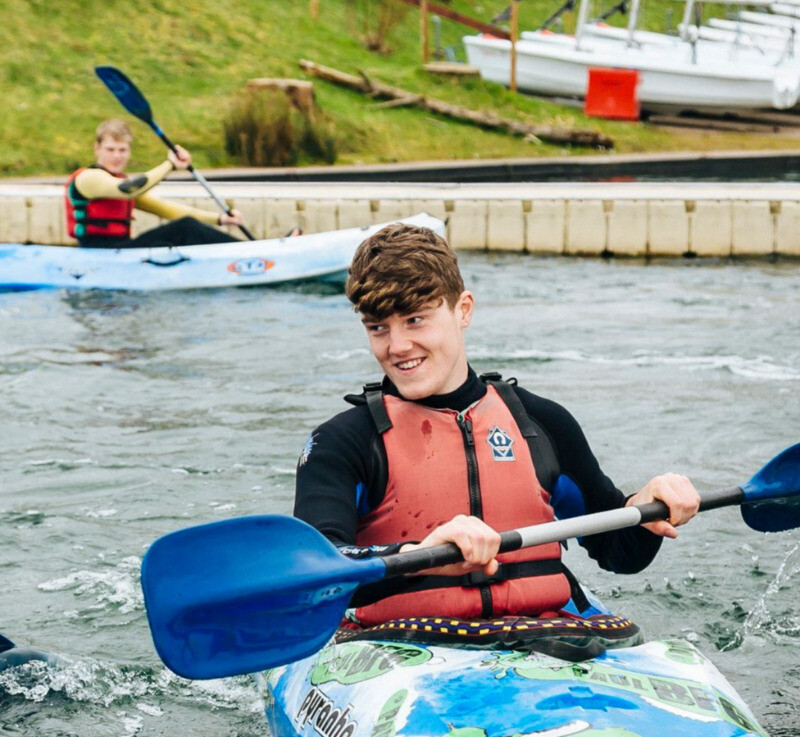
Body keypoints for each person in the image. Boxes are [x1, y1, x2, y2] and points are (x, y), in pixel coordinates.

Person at [293, 223, 701, 628]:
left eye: (415, 320)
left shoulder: (540, 424)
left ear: (463, 309)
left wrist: (644, 511)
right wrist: (415, 554)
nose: (397, 346)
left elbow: (618, 553)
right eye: (378, 327)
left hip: (541, 637)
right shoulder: (341, 443)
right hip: (400, 647)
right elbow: (313, 574)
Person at [64, 119, 245, 248]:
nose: (117, 156)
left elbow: (167, 210)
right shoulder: (88, 178)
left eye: (122, 150)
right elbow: (126, 190)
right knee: (186, 227)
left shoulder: (122, 183)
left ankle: (246, 253)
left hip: (121, 250)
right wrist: (170, 165)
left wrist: (220, 219)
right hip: (99, 252)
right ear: (97, 149)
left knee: (185, 225)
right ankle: (246, 253)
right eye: (110, 149)